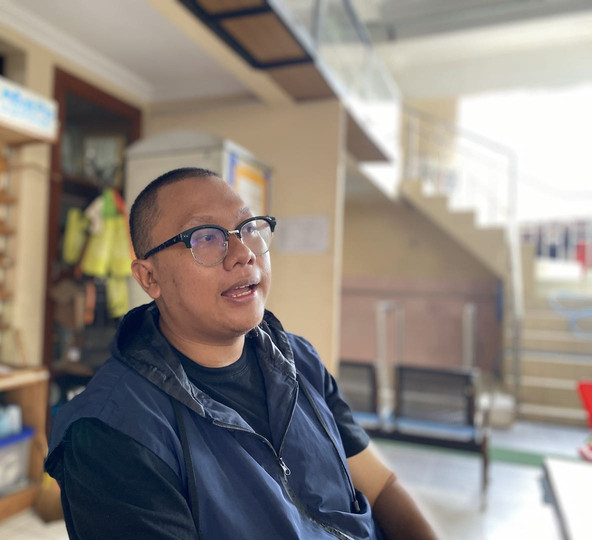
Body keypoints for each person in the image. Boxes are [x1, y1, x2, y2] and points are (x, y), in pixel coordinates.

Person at [45, 167, 437, 539]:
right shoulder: (110, 431)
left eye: (248, 229)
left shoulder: (298, 358)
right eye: (205, 237)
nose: (243, 253)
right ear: (149, 277)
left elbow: (381, 486)